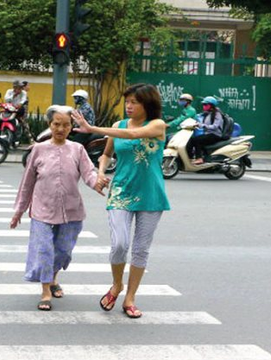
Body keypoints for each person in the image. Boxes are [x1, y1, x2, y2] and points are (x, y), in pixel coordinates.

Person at [72, 83, 170, 319]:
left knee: (140, 249)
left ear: (147, 104)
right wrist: (101, 171)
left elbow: (134, 135)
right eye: (127, 101)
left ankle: (130, 297)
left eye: (134, 102)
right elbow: (106, 154)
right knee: (119, 244)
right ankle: (117, 284)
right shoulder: (118, 126)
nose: (129, 106)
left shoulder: (157, 125)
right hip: (121, 192)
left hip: (151, 194)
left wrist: (91, 127)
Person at [11, 105, 109, 311]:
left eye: (65, 125)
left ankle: (53, 278)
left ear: (71, 127)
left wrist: (97, 182)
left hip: (71, 210)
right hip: (42, 209)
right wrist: (19, 211)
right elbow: (27, 182)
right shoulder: (38, 149)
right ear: (50, 125)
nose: (61, 129)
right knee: (45, 250)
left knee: (63, 251)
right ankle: (46, 290)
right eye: (56, 124)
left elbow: (88, 173)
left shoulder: (77, 149)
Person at [185, 96, 224, 165]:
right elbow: (197, 117)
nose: (204, 106)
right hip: (208, 134)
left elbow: (215, 126)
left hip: (215, 135)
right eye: (203, 104)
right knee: (191, 139)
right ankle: (189, 158)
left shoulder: (217, 114)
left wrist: (202, 125)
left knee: (197, 140)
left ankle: (199, 158)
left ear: (211, 105)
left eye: (206, 104)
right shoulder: (207, 113)